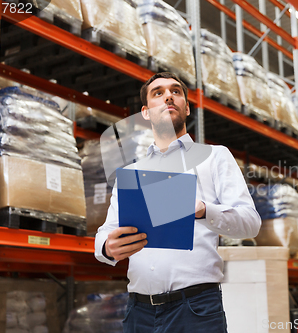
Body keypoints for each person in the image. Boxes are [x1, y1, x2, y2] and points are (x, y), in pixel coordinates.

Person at [94, 72, 261, 333]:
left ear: (187, 106)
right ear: (146, 112)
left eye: (176, 91)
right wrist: (106, 247)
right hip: (139, 313)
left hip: (195, 310)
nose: (168, 96)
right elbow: (106, 229)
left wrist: (205, 210)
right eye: (157, 93)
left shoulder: (214, 157)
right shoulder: (131, 173)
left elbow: (250, 223)